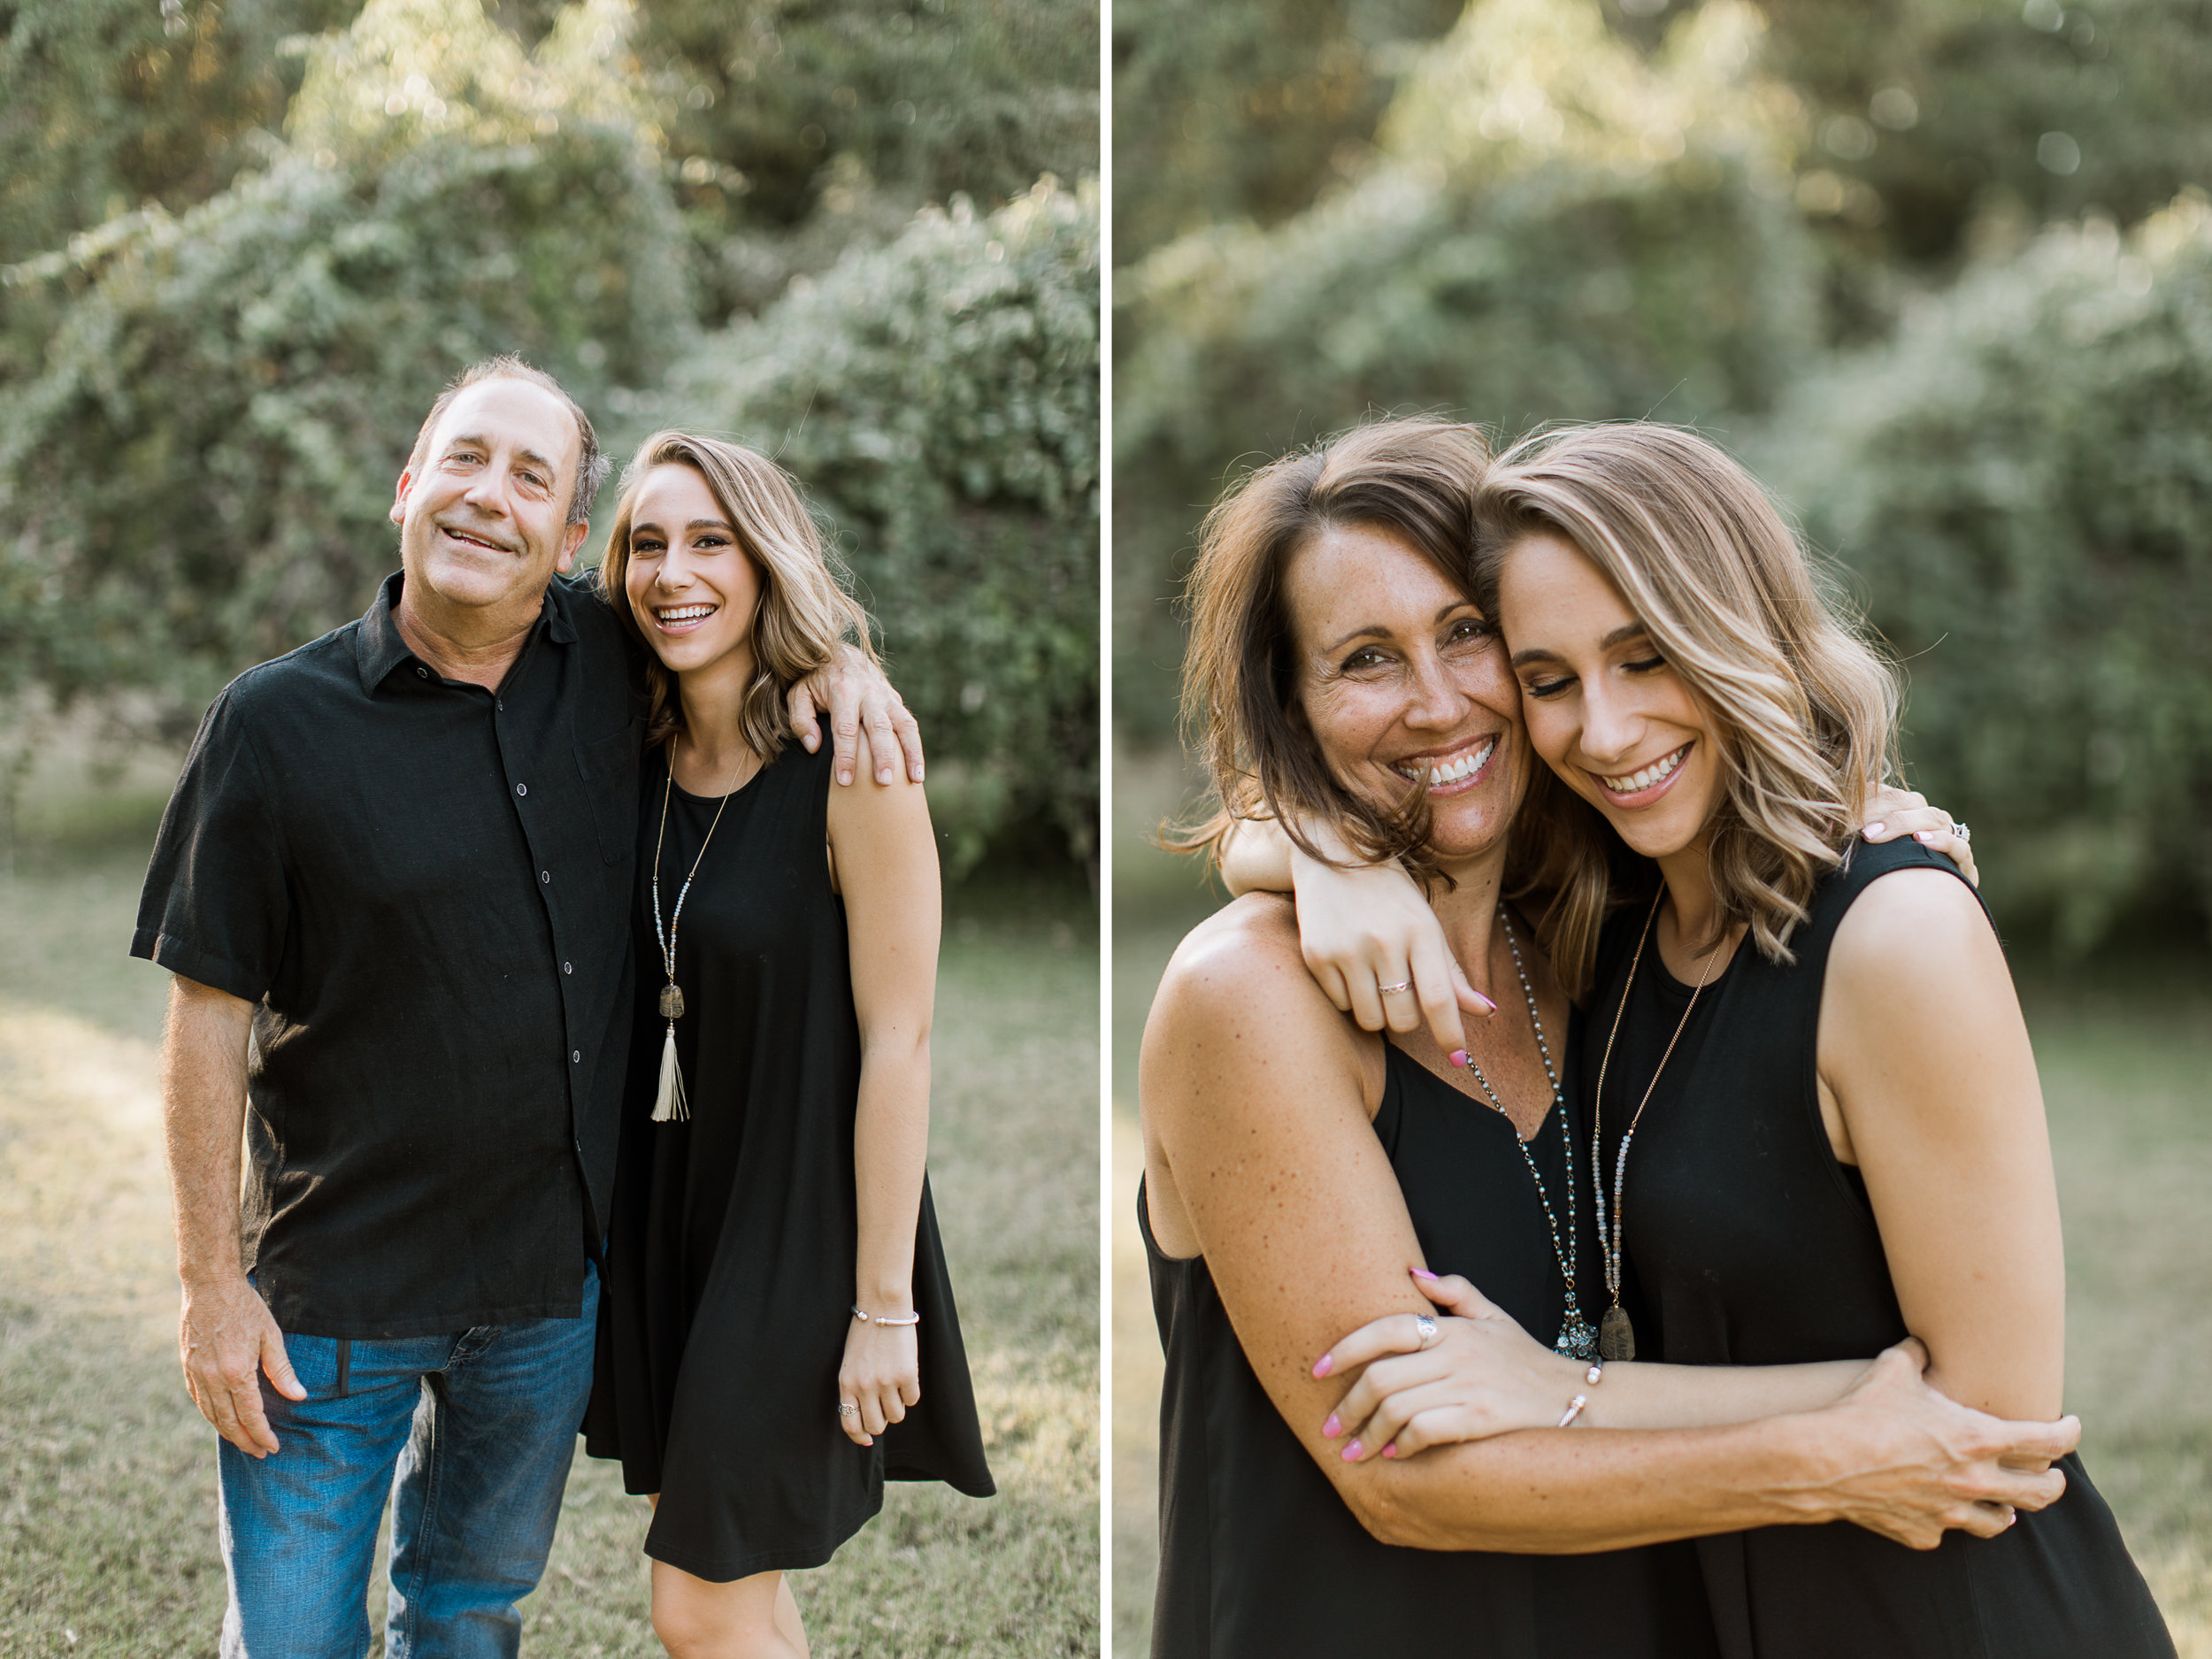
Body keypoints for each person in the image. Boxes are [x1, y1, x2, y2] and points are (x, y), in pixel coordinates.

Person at [1140, 416, 2083, 1659]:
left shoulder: (1594, 935)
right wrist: (1827, 1459)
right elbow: (1402, 1478)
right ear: (1291, 704)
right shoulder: (1244, 1000)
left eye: (1469, 637)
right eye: (1365, 659)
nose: (1437, 701)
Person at [134, 357, 921, 1658]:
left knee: (471, 1616)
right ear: (407, 488)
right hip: (327, 1303)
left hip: (547, 1299)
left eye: (530, 477)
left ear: (566, 542)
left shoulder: (619, 665)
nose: (487, 497)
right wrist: (210, 1287)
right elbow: (205, 1018)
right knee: (291, 1644)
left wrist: (847, 665)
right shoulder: (272, 725)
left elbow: (735, 619)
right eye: (462, 459)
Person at [580, 432, 993, 1659]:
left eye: (711, 540)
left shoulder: (853, 766)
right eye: (647, 542)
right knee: (739, 1583)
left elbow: (902, 1039)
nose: (674, 571)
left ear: (767, 563)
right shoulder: (622, 749)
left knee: (697, 1607)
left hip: (803, 1229)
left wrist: (882, 1308)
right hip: (669, 1217)